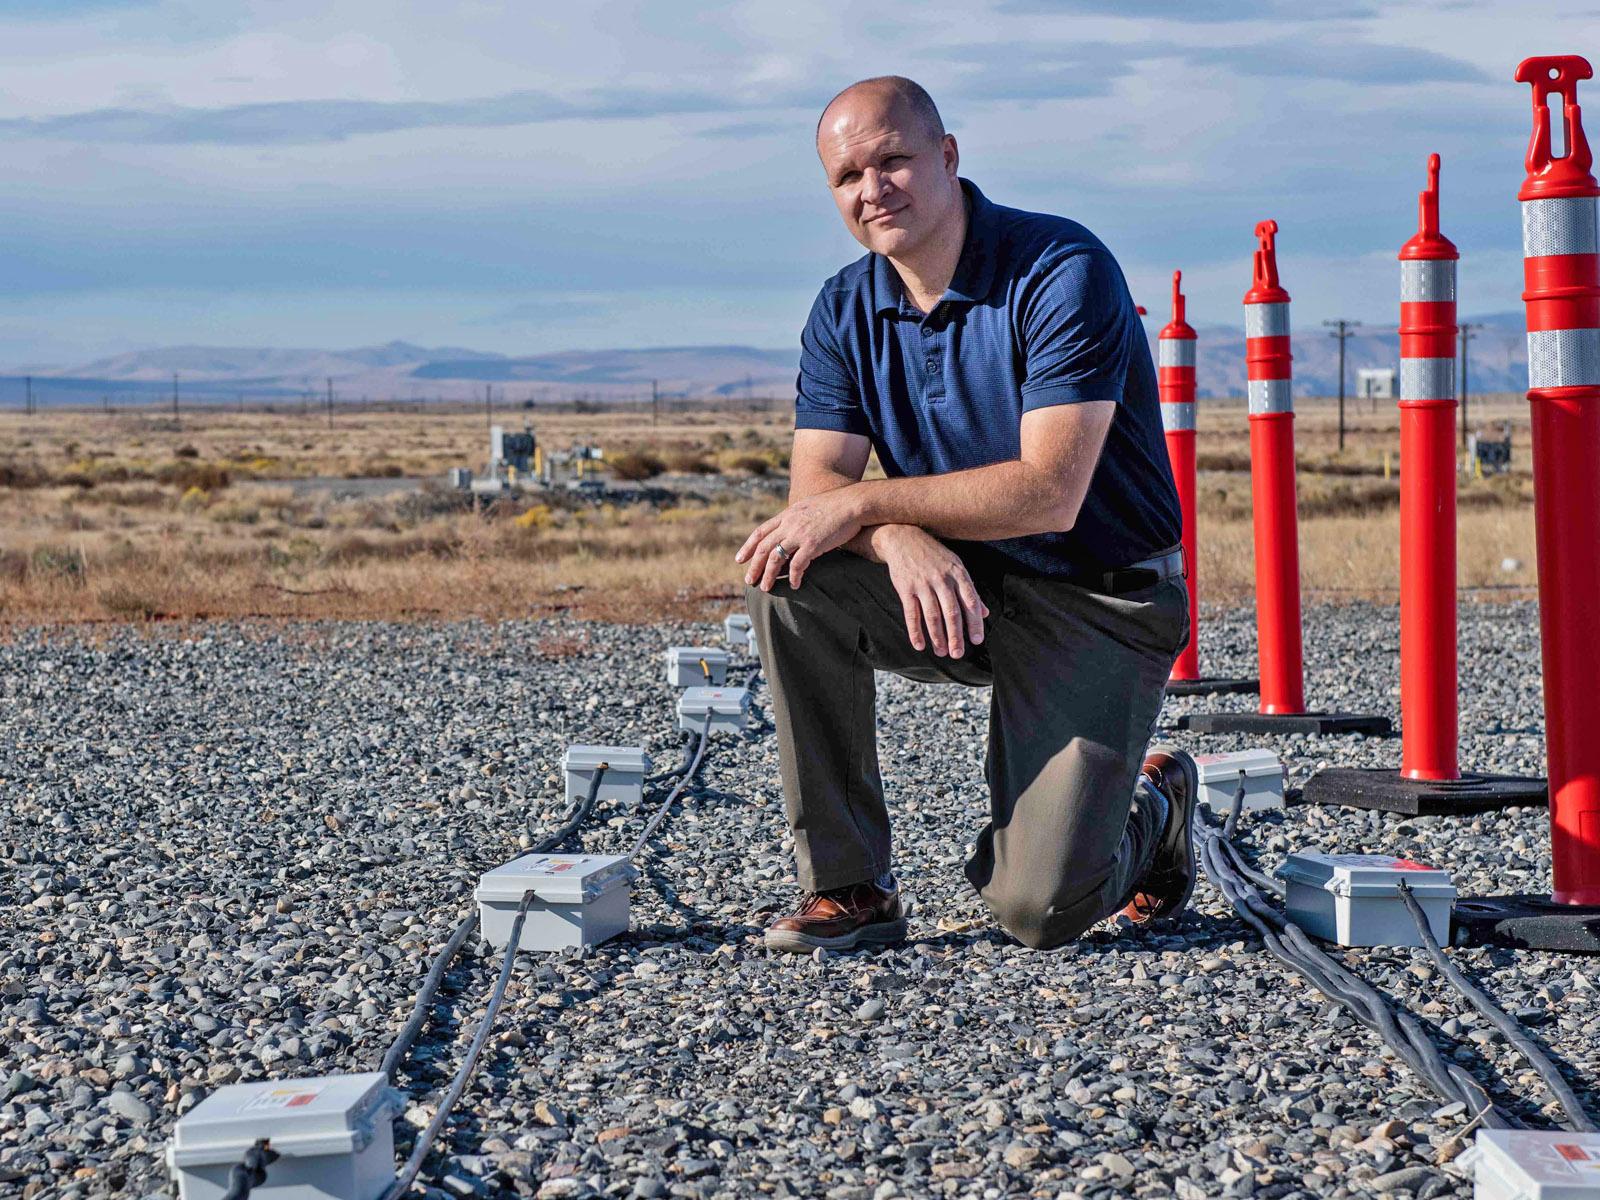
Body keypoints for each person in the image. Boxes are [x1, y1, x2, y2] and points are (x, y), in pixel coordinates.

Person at [738, 75, 1198, 953]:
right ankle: (849, 886)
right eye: (847, 177)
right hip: (966, 590)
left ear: (948, 157)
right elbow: (813, 498)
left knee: (1037, 911)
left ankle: (1152, 805)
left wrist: (871, 503)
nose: (873, 190)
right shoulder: (844, 309)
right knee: (791, 575)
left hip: (1100, 600)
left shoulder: (1062, 271)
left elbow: (1048, 492)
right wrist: (898, 536)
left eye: (894, 161)